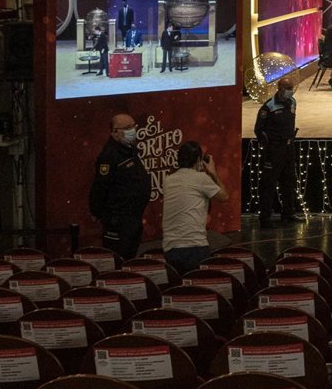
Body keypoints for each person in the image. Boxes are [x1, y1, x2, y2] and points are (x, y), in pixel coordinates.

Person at [161, 141, 228, 274]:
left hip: (170, 248)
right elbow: (224, 196)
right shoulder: (201, 178)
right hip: (194, 246)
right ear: (198, 160)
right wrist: (213, 173)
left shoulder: (168, 180)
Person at [89, 114, 149, 261]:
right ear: (115, 132)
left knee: (130, 259)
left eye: (133, 126)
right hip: (118, 220)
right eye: (127, 128)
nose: (132, 130)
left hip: (134, 219)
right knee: (118, 260)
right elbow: (100, 186)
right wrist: (99, 213)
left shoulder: (130, 150)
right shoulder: (109, 155)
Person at [254, 77, 304, 227]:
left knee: (289, 181)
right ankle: (265, 218)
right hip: (274, 149)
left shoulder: (292, 102)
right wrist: (269, 146)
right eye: (288, 89)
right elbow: (259, 130)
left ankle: (288, 213)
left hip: (289, 148)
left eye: (291, 88)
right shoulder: (269, 107)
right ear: (280, 89)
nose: (290, 91)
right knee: (269, 184)